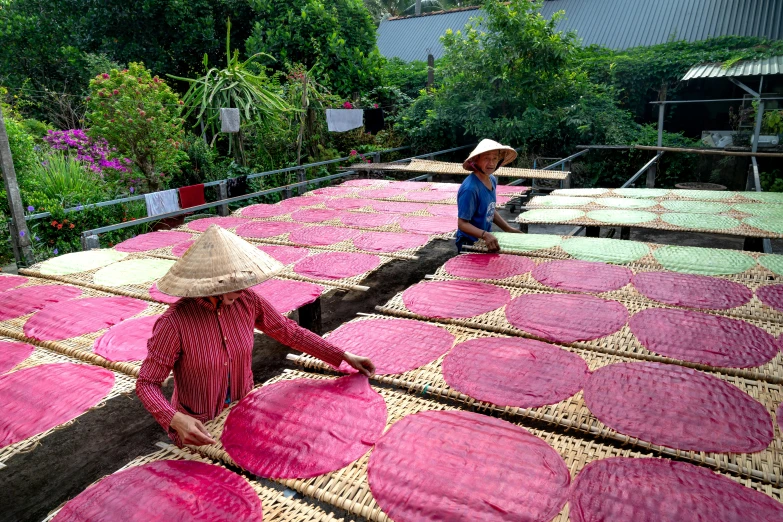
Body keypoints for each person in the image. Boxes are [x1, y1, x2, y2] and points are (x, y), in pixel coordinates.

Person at [136, 225, 375, 447]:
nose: (240, 291)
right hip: (199, 428)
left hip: (244, 412)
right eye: (230, 284)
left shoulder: (248, 301)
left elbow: (288, 331)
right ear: (207, 283)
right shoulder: (174, 323)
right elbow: (147, 383)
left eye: (241, 282)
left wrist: (343, 355)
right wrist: (175, 419)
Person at [456, 139, 522, 252]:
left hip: (485, 239)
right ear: (476, 160)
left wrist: (508, 228)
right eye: (486, 158)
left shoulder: (491, 179)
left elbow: (489, 209)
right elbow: (462, 224)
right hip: (469, 243)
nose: (491, 163)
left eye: (494, 158)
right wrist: (485, 235)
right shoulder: (470, 189)